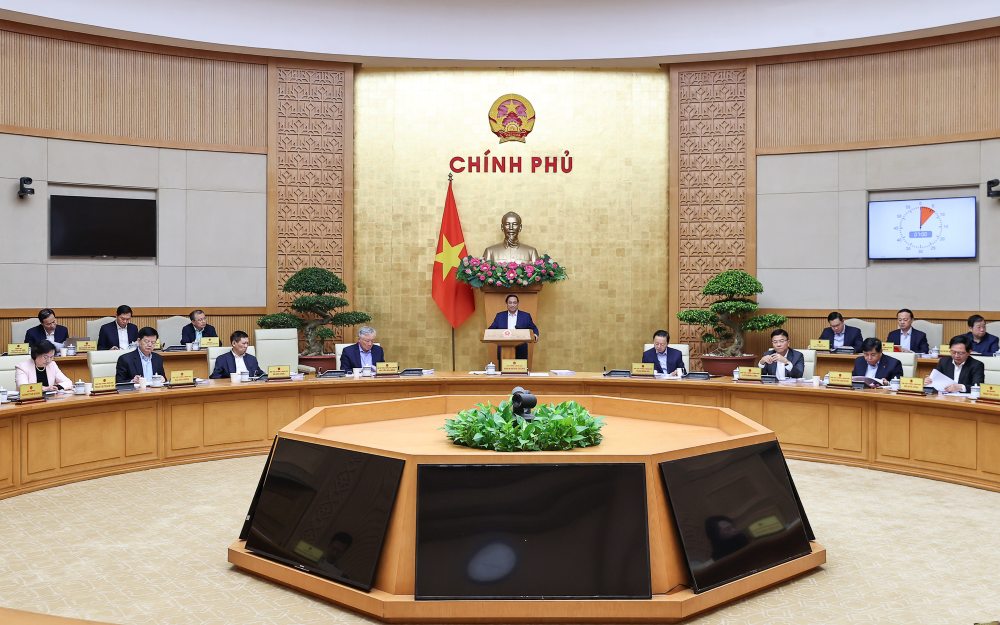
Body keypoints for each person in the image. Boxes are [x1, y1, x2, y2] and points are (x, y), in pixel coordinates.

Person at [487, 294, 539, 361]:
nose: (512, 305)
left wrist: (535, 334)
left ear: (517, 303)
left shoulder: (525, 316)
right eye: (510, 303)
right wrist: (487, 334)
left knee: (520, 371)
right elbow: (492, 328)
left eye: (514, 303)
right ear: (507, 304)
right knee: (504, 371)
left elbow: (534, 328)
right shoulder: (500, 316)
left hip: (521, 351)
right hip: (504, 352)